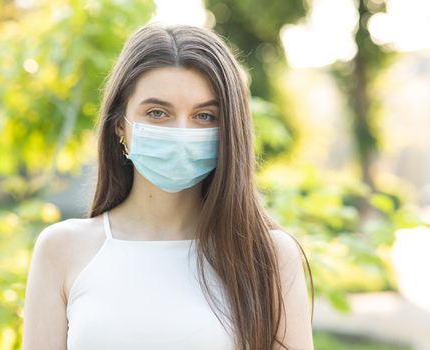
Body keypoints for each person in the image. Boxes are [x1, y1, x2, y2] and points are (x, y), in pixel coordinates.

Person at [22, 22, 314, 350]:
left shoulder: (268, 256)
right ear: (120, 124)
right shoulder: (61, 249)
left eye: (204, 116)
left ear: (230, 129)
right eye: (158, 112)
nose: (181, 132)